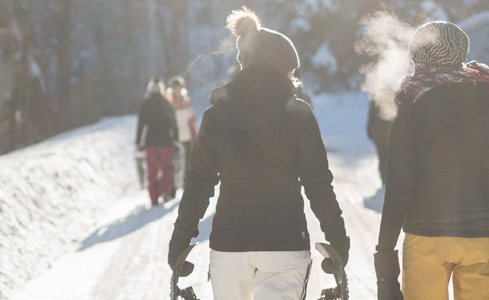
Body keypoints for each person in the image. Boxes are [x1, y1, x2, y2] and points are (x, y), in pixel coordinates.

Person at [167, 8, 349, 300]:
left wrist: (179, 242)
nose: (293, 76)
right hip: (285, 244)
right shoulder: (299, 114)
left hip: (230, 247)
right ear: (278, 67)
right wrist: (339, 240)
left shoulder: (216, 116)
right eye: (291, 69)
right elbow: (318, 184)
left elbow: (199, 184)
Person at [373, 21, 489, 300]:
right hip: (487, 238)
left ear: (417, 57)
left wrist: (385, 260)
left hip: (427, 238)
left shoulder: (412, 100)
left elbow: (399, 189)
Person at [136, 76, 179, 206]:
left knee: (152, 171)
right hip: (166, 142)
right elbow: (174, 122)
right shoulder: (167, 102)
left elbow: (141, 124)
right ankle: (164, 191)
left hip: (150, 143)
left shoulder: (145, 104)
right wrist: (175, 138)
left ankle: (154, 199)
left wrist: (139, 141)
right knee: (166, 168)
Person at [168, 76, 198, 194]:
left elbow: (192, 120)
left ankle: (186, 185)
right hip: (174, 138)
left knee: (187, 162)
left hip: (186, 137)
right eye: (175, 88)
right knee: (174, 163)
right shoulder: (169, 103)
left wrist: (194, 136)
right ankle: (173, 187)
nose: (177, 90)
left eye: (178, 87)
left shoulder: (186, 102)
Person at [366, 100, 392, 185]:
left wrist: (369, 129)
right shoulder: (395, 92)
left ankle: (384, 180)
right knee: (391, 158)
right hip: (391, 131)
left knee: (382, 158)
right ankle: (389, 180)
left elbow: (371, 114)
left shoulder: (377, 95)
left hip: (379, 132)